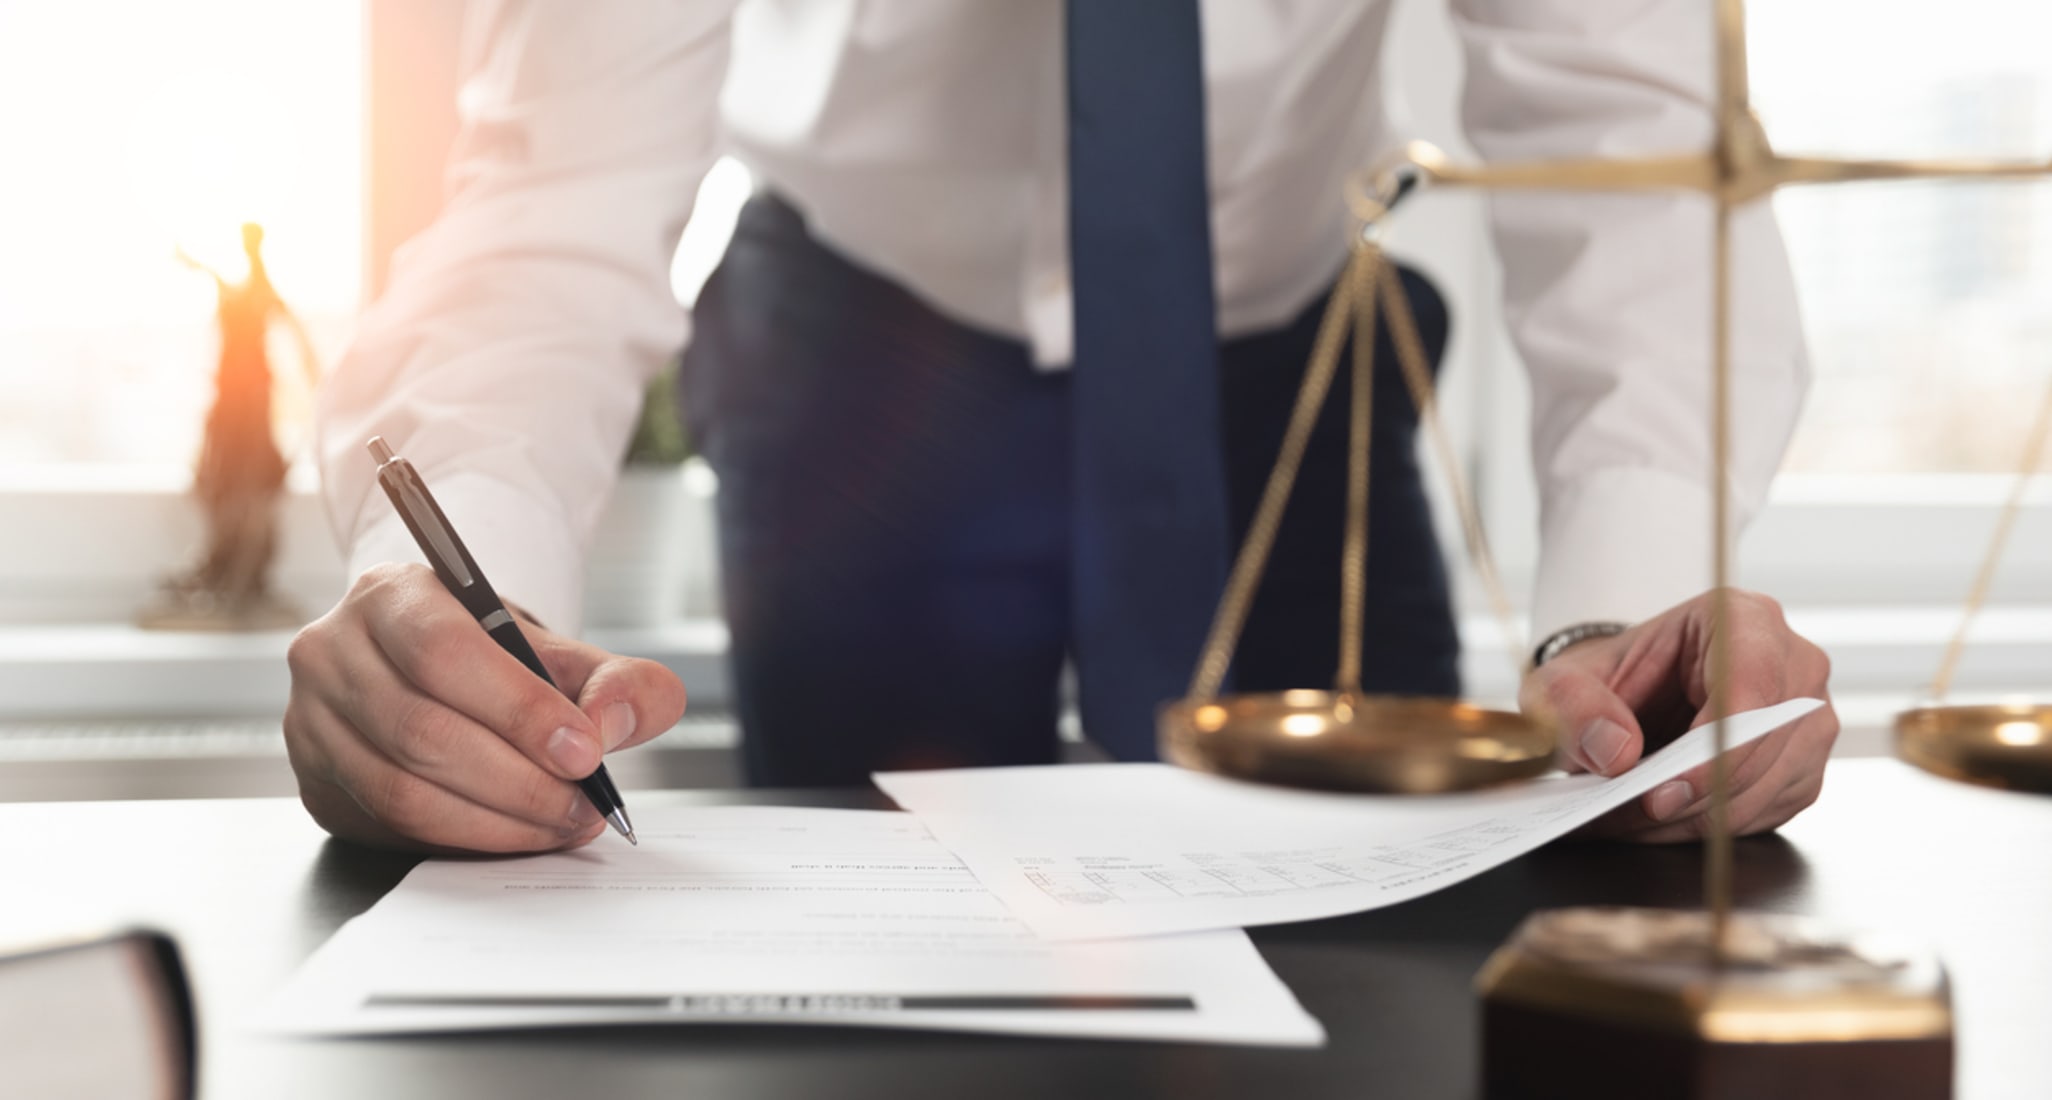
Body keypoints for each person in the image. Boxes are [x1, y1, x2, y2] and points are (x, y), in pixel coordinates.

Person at [287, 1, 1836, 854]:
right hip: (865, 362)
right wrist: (446, 589)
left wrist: (1633, 611)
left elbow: (1631, 140)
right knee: (883, 994)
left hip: (1278, 351)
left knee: (1385, 949)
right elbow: (558, 202)